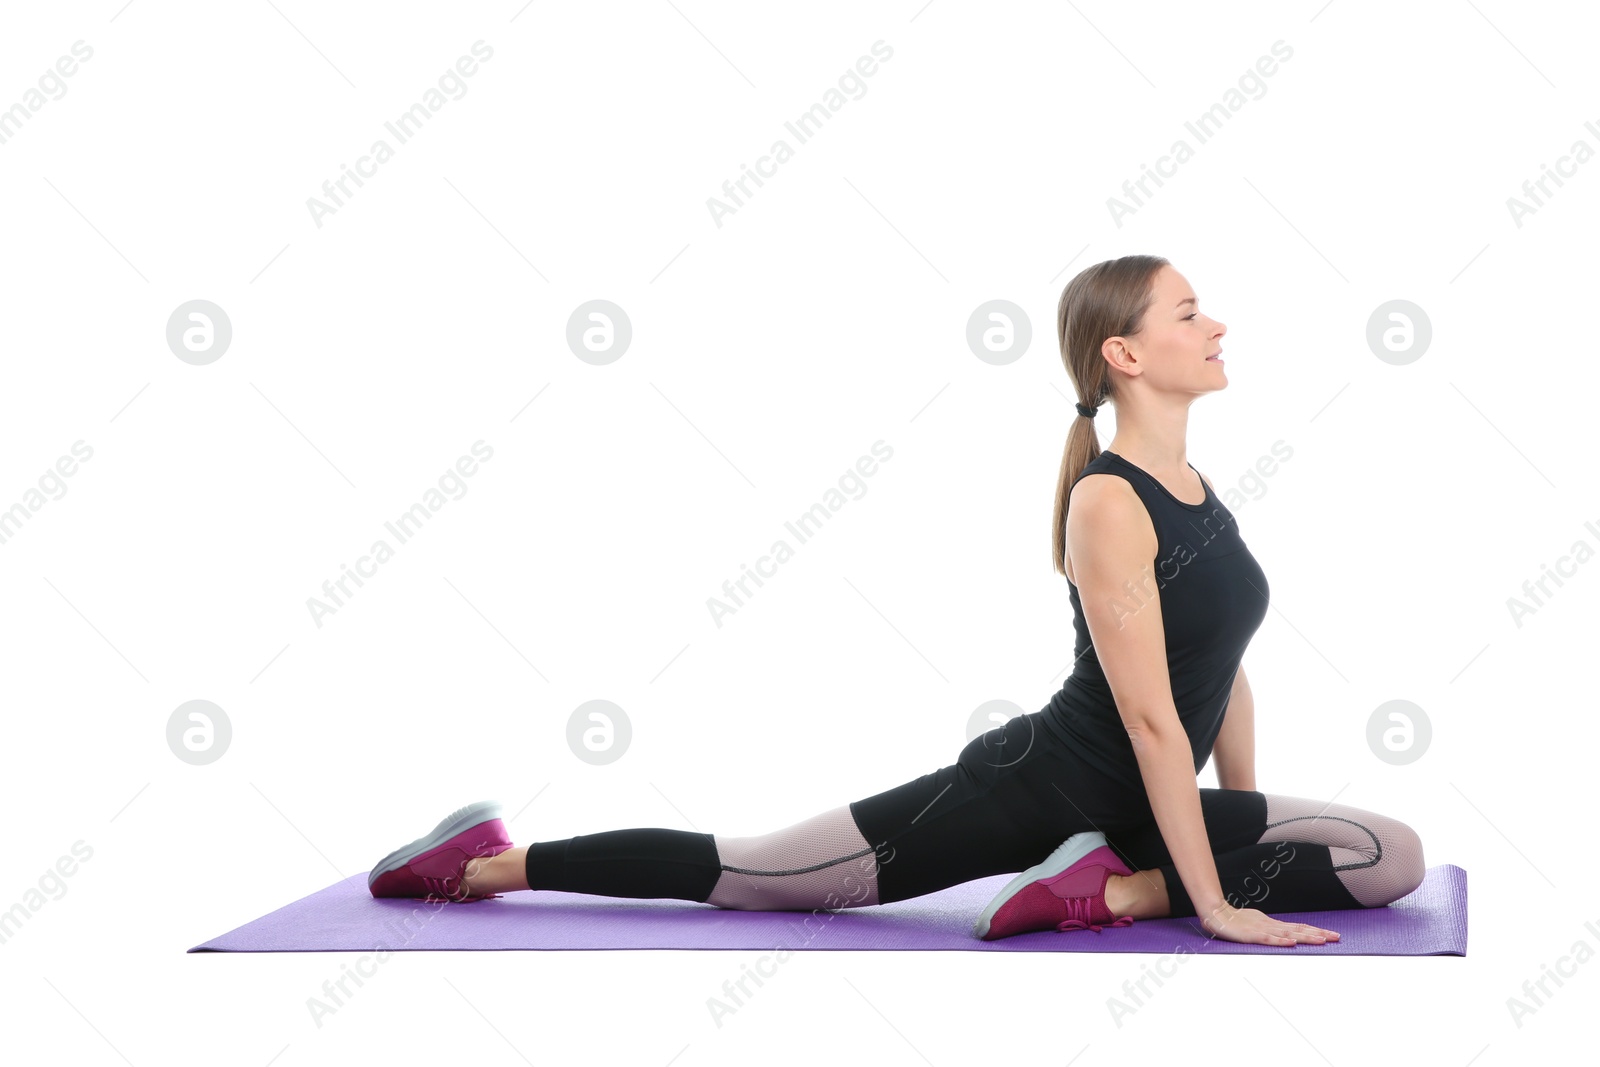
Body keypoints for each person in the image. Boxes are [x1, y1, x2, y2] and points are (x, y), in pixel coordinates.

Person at [367, 255, 1425, 946]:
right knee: (753, 873)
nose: (1217, 323)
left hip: (1136, 814)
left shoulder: (1196, 488)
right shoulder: (1109, 500)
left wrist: (1229, 833)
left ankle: (1101, 890)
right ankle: (485, 864)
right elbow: (1151, 716)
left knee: (1390, 856)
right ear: (1125, 353)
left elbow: (1221, 664)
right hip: (1033, 791)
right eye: (1191, 311)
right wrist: (1219, 900)